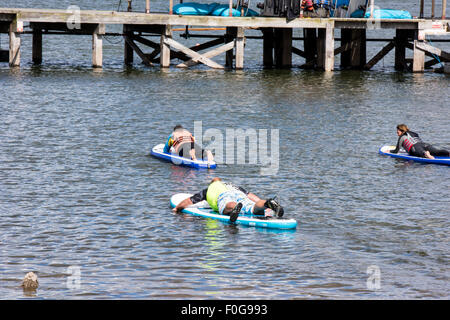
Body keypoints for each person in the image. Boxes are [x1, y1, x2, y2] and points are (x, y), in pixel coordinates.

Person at [172, 178, 284, 222]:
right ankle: (268, 203)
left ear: (212, 183)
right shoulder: (232, 185)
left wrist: (177, 208)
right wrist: (265, 208)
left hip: (223, 196)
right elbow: (251, 196)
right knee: (253, 207)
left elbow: (189, 201)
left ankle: (234, 207)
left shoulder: (208, 190)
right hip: (239, 194)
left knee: (227, 205)